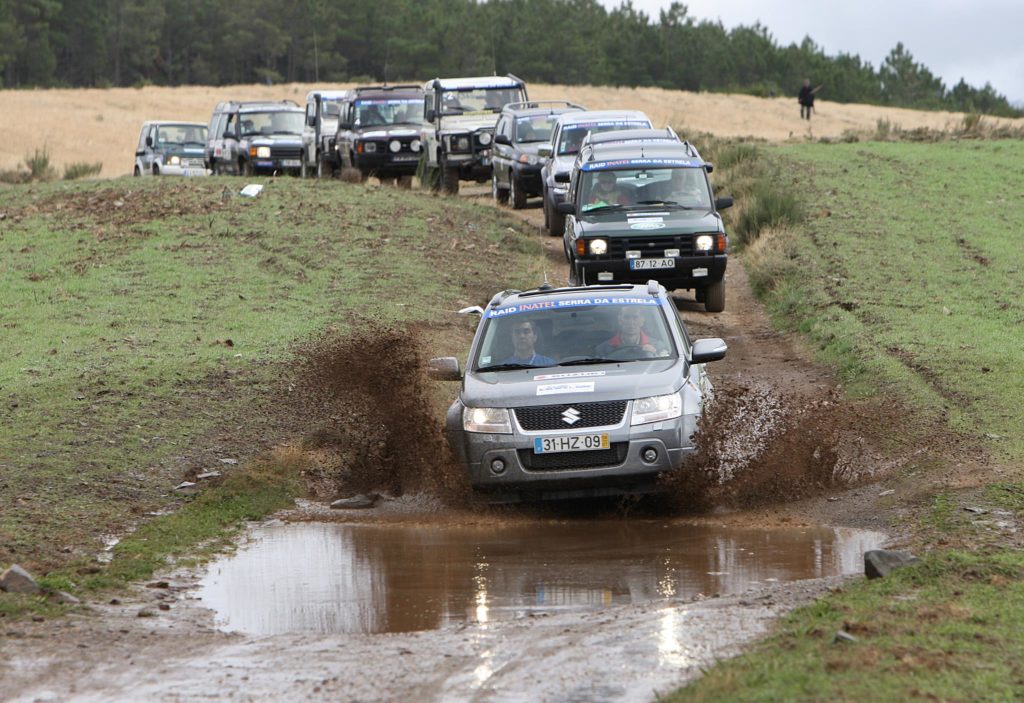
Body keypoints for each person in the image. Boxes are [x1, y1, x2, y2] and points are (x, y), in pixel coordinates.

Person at [595, 307, 661, 357]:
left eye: (635, 318)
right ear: (620, 321)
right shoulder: (603, 349)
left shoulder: (657, 346)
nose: (631, 322)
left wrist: (655, 355)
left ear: (642, 321)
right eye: (626, 317)